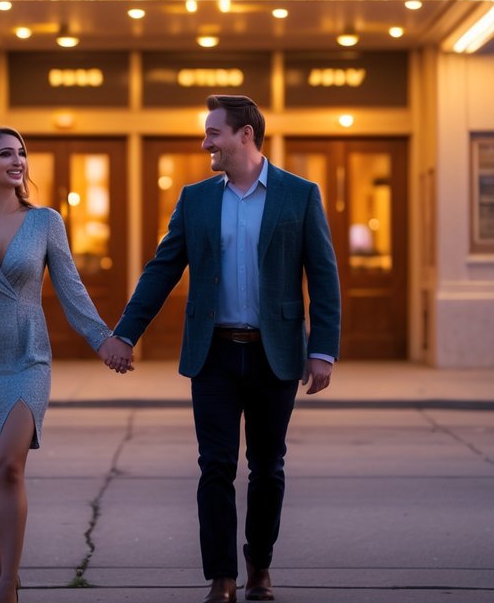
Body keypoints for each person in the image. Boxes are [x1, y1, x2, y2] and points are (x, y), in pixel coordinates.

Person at [108, 95, 341, 603]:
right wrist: (125, 333)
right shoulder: (196, 199)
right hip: (212, 354)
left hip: (273, 353)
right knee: (214, 465)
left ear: (245, 136)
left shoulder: (298, 195)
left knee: (267, 467)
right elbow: (162, 268)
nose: (205, 142)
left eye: (214, 132)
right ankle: (222, 577)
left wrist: (322, 349)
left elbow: (323, 276)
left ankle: (259, 566)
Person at [0, 127, 133, 603]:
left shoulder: (45, 222)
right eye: (6, 154)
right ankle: (2, 572)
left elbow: (70, 287)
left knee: (8, 467)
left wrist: (103, 340)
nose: (18, 161)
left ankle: (4, 588)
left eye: (21, 154)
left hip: (27, 356)